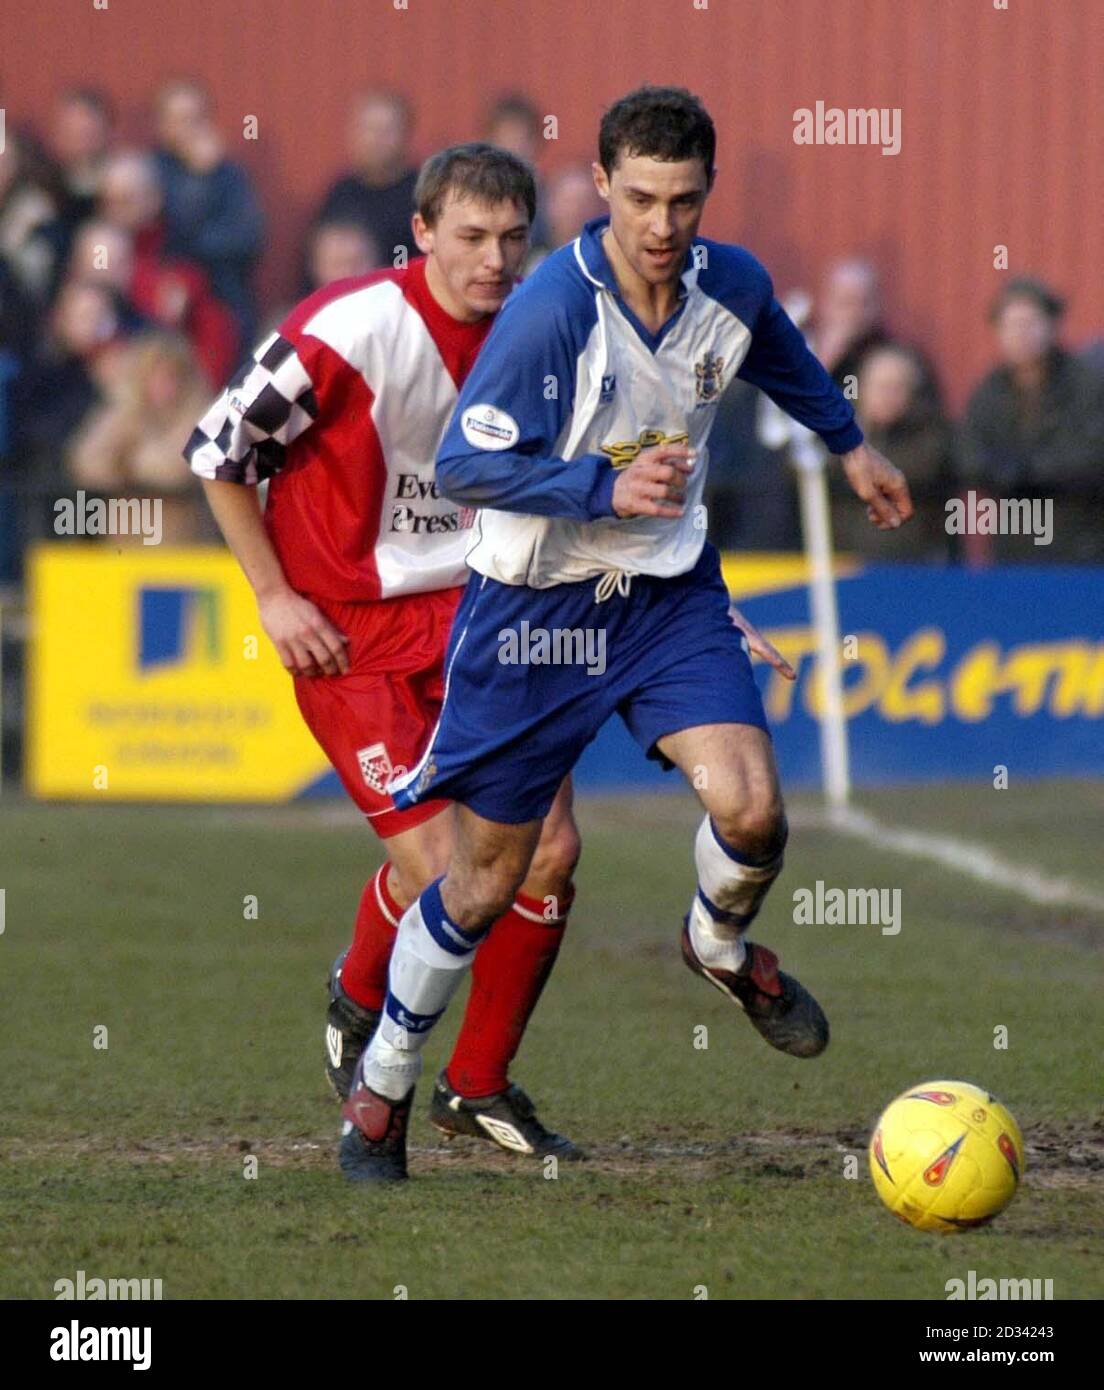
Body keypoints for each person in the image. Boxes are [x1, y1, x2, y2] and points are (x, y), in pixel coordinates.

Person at [346, 85, 912, 1183]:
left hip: (665, 596)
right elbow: (465, 462)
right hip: (534, 610)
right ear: (601, 188)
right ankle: (383, 1089)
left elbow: (781, 353)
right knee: (482, 881)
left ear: (708, 194)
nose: (662, 224)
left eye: (684, 200)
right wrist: (602, 483)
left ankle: (716, 946)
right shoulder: (553, 309)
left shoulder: (731, 282)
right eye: (640, 197)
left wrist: (851, 446)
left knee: (752, 807)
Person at [186, 144, 582, 1168]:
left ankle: (478, 1083)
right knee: (454, 873)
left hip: (485, 617)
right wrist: (273, 595)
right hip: (350, 634)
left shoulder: (548, 329)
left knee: (548, 855)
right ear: (421, 233)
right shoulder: (350, 324)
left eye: (510, 237)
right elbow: (218, 450)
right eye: (470, 237)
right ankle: (367, 1020)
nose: (494, 259)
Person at [957, 277, 1104, 563]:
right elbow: (969, 454)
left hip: (1081, 538)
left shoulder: (1087, 384)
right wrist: (1001, 472)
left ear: (1052, 326)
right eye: (1011, 325)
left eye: (1030, 323)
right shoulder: (988, 391)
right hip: (1015, 539)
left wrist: (1028, 472)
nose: (1021, 334)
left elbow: (1091, 454)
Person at [151, 78, 265, 350]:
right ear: (162, 125)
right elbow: (170, 235)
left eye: (196, 119)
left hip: (222, 292)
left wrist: (198, 247)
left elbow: (249, 238)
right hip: (165, 291)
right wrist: (201, 179)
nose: (189, 129)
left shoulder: (230, 174)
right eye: (179, 119)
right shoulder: (150, 171)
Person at [68, 332, 212, 544]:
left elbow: (173, 471)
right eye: (154, 376)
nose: (163, 385)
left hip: (180, 542)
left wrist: (123, 461)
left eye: (171, 376)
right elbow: (85, 464)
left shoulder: (198, 417)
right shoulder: (121, 414)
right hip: (123, 541)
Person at [832, 343, 955, 561]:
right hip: (845, 564)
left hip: (913, 567)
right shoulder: (838, 432)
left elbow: (923, 471)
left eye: (897, 387)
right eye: (880, 386)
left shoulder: (931, 433)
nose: (887, 396)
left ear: (912, 393)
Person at [313, 90, 418, 269]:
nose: (376, 140)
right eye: (368, 129)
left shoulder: (423, 196)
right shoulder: (340, 194)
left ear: (405, 134)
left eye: (386, 131)